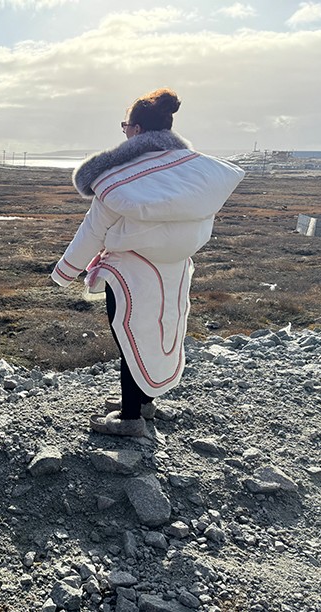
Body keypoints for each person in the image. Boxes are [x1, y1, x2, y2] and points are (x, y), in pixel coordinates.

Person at [51, 88, 245, 436]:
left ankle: (129, 419)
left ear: (137, 131)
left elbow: (93, 230)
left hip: (129, 270)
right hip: (175, 267)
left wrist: (63, 273)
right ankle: (143, 401)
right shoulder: (194, 172)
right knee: (159, 331)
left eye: (125, 125)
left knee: (130, 336)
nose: (123, 131)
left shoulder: (120, 177)